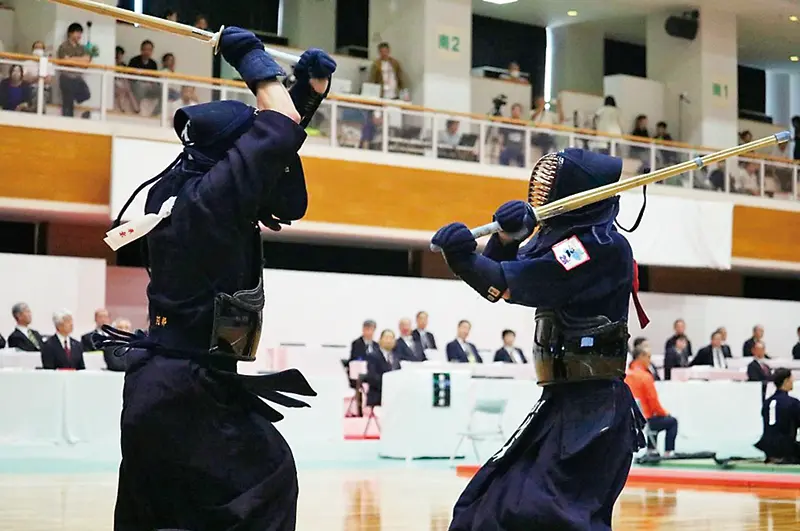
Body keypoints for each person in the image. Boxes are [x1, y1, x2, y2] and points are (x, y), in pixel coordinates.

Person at [98, 27, 335, 530]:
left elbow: (273, 142)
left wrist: (306, 94)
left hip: (173, 389)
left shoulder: (188, 197)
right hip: (186, 393)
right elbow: (276, 128)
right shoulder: (209, 206)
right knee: (263, 485)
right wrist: (249, 55)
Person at [431, 147, 646, 530]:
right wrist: (508, 238)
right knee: (488, 506)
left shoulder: (600, 245)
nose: (542, 197)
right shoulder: (573, 241)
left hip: (595, 410)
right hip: (563, 403)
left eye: (551, 189)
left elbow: (514, 282)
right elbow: (506, 272)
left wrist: (466, 260)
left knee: (546, 515)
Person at [627, 344, 678, 456]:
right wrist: (665, 413)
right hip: (644, 419)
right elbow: (653, 403)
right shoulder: (645, 377)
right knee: (671, 421)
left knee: (653, 417)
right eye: (648, 357)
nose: (650, 360)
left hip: (629, 418)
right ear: (641, 357)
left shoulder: (626, 375)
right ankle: (668, 451)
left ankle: (652, 449)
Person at [755, 368, 800, 464]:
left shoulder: (767, 402)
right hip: (786, 449)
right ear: (786, 381)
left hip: (767, 448)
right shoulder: (793, 403)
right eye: (791, 379)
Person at [56, 22, 92, 118]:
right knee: (68, 104)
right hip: (66, 77)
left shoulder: (82, 48)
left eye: (80, 33)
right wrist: (78, 60)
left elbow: (86, 61)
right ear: (70, 33)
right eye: (77, 32)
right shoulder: (63, 46)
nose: (79, 35)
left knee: (86, 94)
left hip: (77, 77)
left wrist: (71, 59)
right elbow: (64, 61)